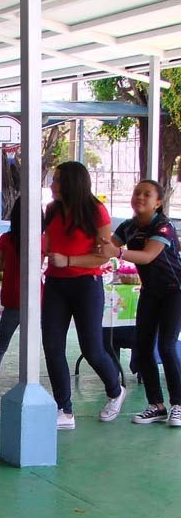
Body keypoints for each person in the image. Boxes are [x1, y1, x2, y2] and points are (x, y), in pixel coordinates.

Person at [44, 161, 126, 430]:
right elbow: (47, 243)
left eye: (57, 180)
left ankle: (115, 390)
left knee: (91, 348)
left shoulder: (96, 211)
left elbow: (103, 256)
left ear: (72, 183)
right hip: (55, 284)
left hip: (86, 284)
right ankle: (64, 409)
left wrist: (68, 260)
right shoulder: (52, 210)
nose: (52, 185)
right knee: (52, 346)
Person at [99, 180, 181, 427]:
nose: (140, 197)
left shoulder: (163, 226)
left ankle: (178, 404)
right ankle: (156, 406)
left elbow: (147, 256)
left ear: (158, 202)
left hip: (174, 291)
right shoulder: (128, 226)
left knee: (166, 345)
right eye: (137, 193)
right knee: (142, 347)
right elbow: (107, 246)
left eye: (147, 194)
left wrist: (116, 252)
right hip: (150, 292)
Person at [0, 197, 44, 401]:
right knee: (37, 345)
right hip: (35, 298)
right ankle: (33, 384)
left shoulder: (6, 239)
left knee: (1, 345)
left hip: (13, 297)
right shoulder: (42, 241)